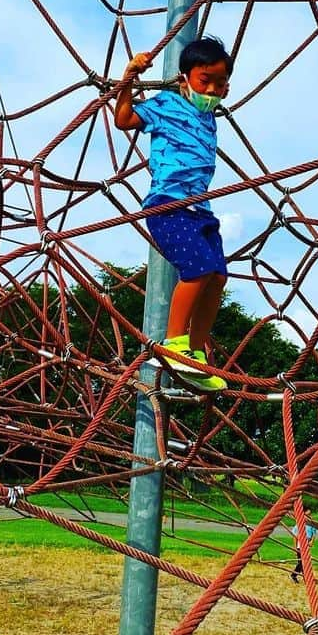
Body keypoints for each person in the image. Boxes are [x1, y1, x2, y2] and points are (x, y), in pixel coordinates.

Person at [114, 35, 233, 392]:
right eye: (205, 80)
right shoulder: (165, 104)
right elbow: (123, 119)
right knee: (197, 270)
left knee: (217, 277)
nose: (212, 89)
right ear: (185, 78)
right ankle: (173, 343)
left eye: (221, 84)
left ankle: (195, 353)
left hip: (200, 209)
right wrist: (128, 78)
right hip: (168, 204)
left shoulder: (210, 117)